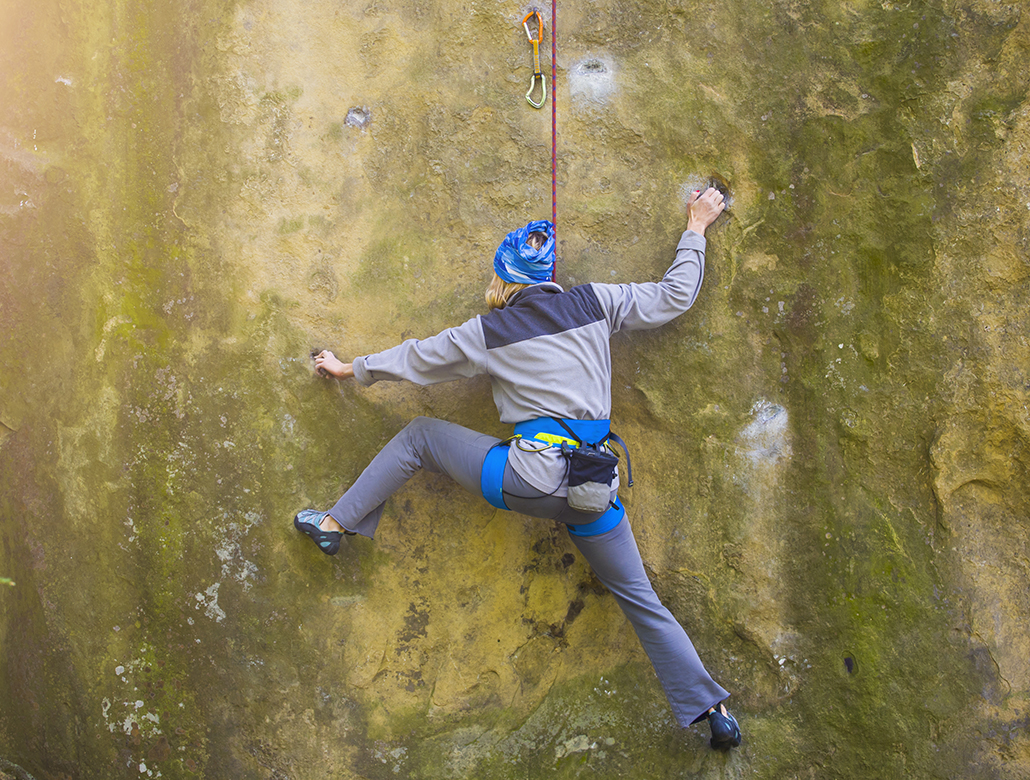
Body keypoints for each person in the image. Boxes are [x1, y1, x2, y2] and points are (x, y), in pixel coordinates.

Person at [296, 187, 742, 750]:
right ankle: (715, 712)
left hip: (527, 479)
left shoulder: (490, 333)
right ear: (550, 275)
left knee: (419, 438)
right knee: (640, 597)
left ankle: (334, 527)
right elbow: (673, 296)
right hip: (591, 488)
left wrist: (347, 368)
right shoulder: (597, 302)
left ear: (504, 280)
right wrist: (697, 227)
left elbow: (414, 359)